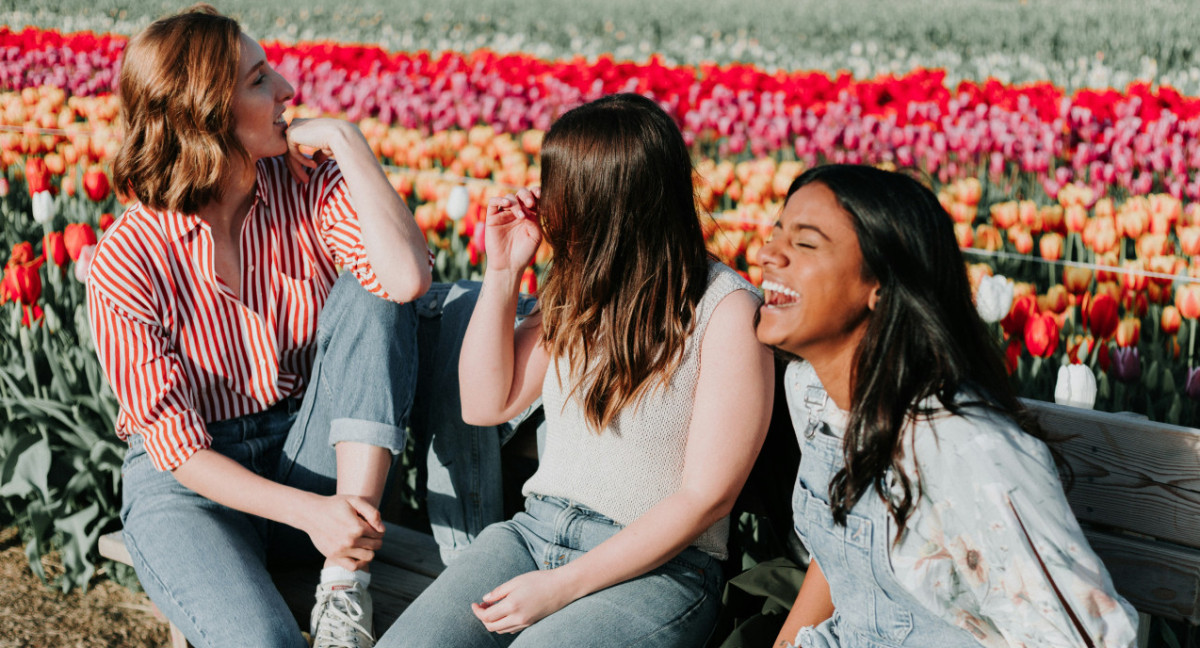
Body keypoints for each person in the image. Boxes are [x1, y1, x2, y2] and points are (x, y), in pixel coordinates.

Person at [86, 5, 432, 647]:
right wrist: (312, 514)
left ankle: (341, 588)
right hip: (194, 490)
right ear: (205, 112)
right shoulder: (126, 259)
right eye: (258, 79)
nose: (288, 91)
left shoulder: (308, 185)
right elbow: (180, 451)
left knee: (370, 287)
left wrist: (350, 145)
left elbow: (405, 281)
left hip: (306, 455)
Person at [377, 93, 774, 647]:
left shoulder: (727, 310)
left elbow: (706, 497)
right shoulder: (580, 289)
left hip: (660, 569)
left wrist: (563, 586)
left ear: (607, 202)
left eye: (558, 186)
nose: (543, 201)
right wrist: (502, 270)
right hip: (531, 535)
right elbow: (485, 403)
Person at [755, 165, 1140, 647]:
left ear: (881, 284)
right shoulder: (811, 392)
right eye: (775, 234)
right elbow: (841, 565)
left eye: (805, 243)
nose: (766, 254)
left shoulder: (962, 445)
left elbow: (1082, 640)